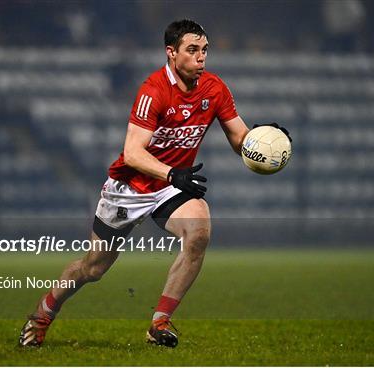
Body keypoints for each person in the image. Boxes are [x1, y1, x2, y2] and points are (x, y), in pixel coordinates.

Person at [19, 19, 290, 348]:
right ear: (171, 53)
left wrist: (264, 141)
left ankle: (159, 322)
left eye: (204, 50)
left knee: (199, 230)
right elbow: (133, 154)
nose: (201, 57)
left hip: (170, 188)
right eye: (192, 50)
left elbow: (239, 138)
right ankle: (42, 314)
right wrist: (174, 173)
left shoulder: (215, 88)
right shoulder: (154, 90)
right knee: (92, 269)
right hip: (130, 188)